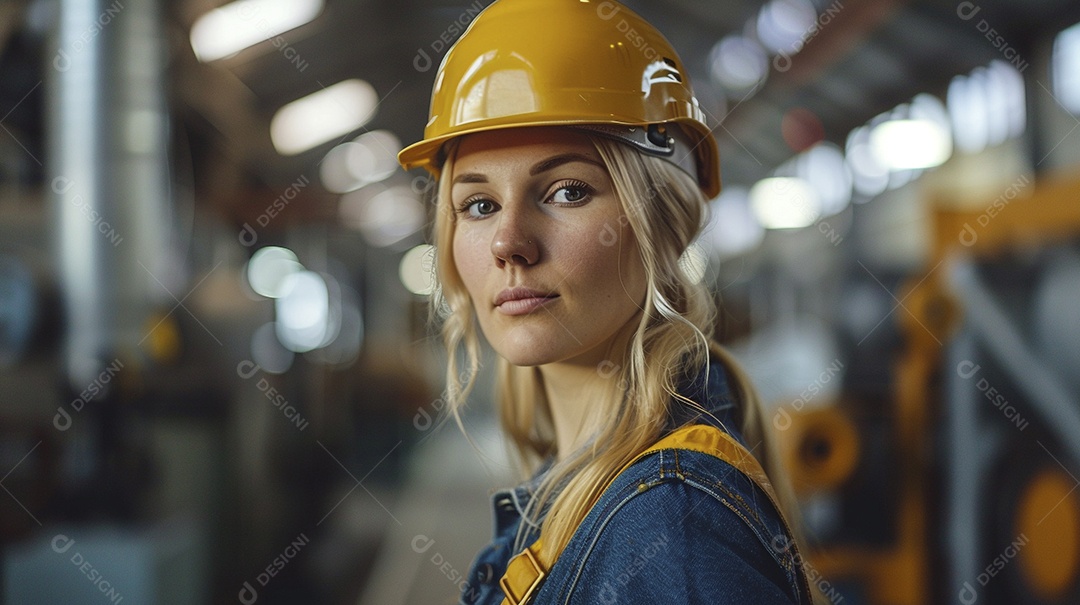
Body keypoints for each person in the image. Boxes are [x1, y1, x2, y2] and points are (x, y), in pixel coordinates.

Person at [398, 1, 815, 603]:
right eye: (480, 205)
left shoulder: (672, 529)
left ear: (662, 224)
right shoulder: (592, 491)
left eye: (567, 191)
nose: (509, 243)